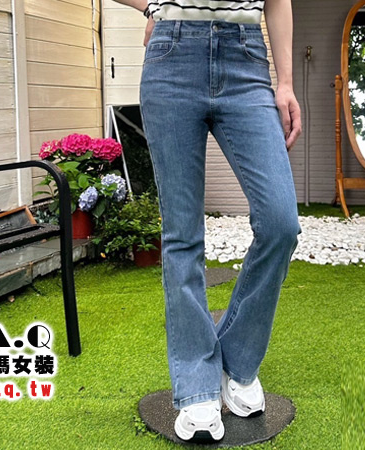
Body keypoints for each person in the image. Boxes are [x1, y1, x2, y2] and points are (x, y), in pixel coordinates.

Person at [113, 0, 302, 443]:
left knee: (281, 223)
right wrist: (152, 7)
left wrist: (286, 82)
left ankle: (236, 363)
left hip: (246, 59)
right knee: (182, 235)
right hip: (172, 57)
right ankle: (197, 385)